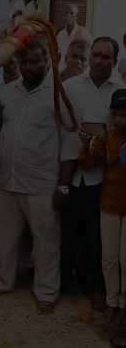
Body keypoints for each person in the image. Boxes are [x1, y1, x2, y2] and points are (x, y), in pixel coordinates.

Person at [0, 41, 79, 315]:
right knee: (5, 238)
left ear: (47, 62)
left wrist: (63, 184)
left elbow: (70, 140)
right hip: (7, 181)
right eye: (24, 62)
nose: (29, 67)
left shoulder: (57, 95)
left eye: (35, 62)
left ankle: (46, 292)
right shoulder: (8, 92)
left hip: (42, 183)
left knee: (46, 241)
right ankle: (4, 282)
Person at [62, 36, 122, 310]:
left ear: (114, 60)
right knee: (67, 233)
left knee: (96, 238)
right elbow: (61, 127)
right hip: (69, 173)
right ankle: (62, 285)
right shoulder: (70, 87)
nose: (99, 60)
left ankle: (95, 287)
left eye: (105, 57)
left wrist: (99, 136)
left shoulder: (121, 91)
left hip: (103, 178)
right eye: (95, 55)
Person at [77, 89, 126, 346]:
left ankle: (122, 310)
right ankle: (112, 306)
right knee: (109, 258)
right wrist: (87, 145)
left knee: (125, 260)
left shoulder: (112, 140)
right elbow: (87, 163)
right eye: (115, 114)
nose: (119, 119)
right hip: (109, 204)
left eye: (123, 115)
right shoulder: (108, 138)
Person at [56, 4, 90, 69]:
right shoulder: (60, 34)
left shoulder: (84, 33)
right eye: (66, 13)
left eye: (71, 13)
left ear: (76, 16)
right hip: (62, 70)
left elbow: (87, 55)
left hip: (77, 70)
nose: (68, 15)